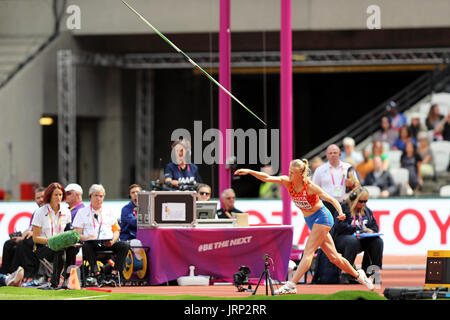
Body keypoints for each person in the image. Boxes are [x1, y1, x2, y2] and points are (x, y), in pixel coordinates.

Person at [234, 160, 374, 295]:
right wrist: (249, 171)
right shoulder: (287, 182)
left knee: (308, 252)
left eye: (293, 173)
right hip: (310, 220)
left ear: (301, 175)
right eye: (289, 171)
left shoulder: (310, 186)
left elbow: (330, 199)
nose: (290, 175)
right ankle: (359, 275)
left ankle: (291, 285)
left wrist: (341, 212)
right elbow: (266, 177)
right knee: (334, 258)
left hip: (322, 217)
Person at [73, 184, 130, 286]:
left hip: (107, 242)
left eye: (101, 196)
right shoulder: (82, 212)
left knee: (124, 245)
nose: (98, 198)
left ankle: (114, 273)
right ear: (90, 196)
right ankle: (97, 274)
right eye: (96, 195)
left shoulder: (109, 211)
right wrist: (87, 237)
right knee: (87, 245)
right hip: (91, 243)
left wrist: (113, 241)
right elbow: (77, 234)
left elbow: (116, 230)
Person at [32, 182, 78, 289]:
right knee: (59, 250)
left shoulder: (66, 211)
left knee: (72, 249)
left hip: (61, 246)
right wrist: (52, 241)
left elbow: (68, 231)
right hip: (43, 247)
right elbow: (35, 238)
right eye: (56, 195)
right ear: (49, 196)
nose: (59, 197)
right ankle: (54, 282)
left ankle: (67, 280)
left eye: (60, 195)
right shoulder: (40, 212)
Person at [334, 187, 383, 283]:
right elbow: (339, 226)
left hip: (361, 239)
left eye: (365, 201)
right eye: (361, 201)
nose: (363, 204)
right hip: (342, 239)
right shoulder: (343, 208)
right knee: (353, 241)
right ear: (353, 199)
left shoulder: (367, 210)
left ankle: (371, 272)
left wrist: (370, 231)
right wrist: (357, 230)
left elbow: (375, 227)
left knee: (377, 242)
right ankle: (346, 273)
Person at [0, 187, 45, 279]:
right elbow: (30, 228)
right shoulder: (36, 212)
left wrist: (26, 236)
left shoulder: (49, 211)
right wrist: (22, 235)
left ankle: (17, 272)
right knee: (9, 244)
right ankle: (4, 273)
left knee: (22, 243)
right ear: (35, 200)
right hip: (32, 236)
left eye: (42, 197)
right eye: (38, 198)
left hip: (42, 238)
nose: (40, 200)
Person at [312, 144, 360, 209]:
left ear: (340, 154)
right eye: (330, 153)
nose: (333, 155)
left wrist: (352, 184)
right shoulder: (320, 170)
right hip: (327, 205)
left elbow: (358, 186)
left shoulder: (348, 167)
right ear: (326, 155)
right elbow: (314, 188)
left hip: (345, 203)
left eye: (335, 152)